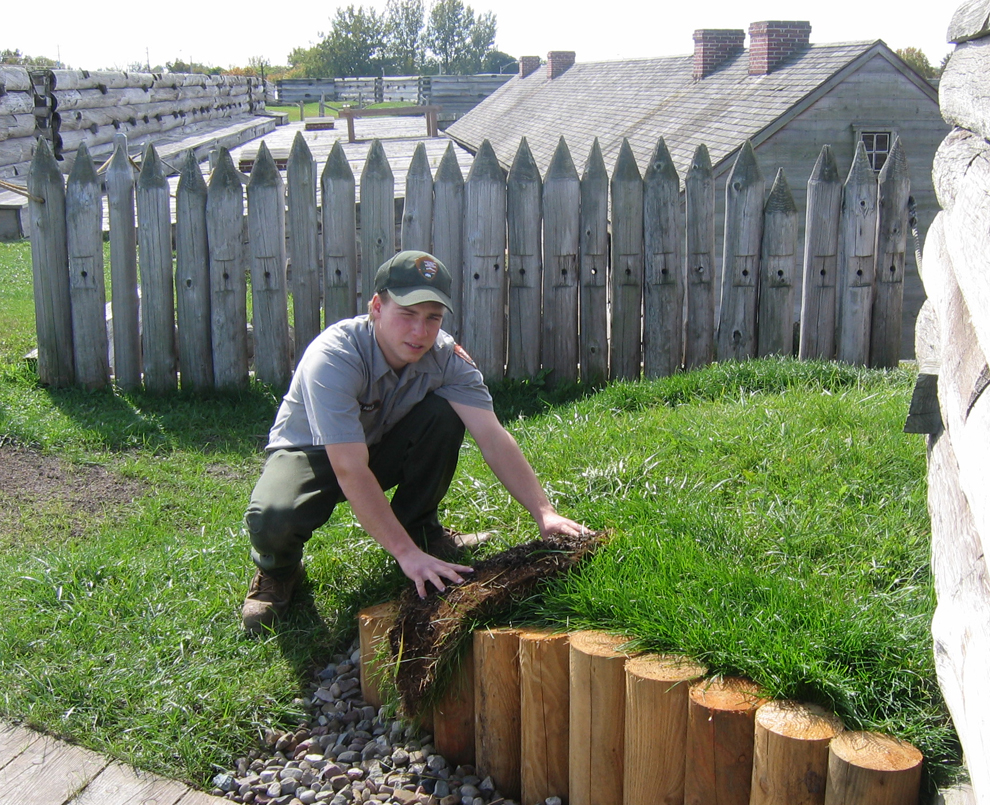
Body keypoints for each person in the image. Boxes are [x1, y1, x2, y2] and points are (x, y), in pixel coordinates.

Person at [242, 250, 587, 634]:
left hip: (379, 446)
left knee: (443, 413)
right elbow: (349, 467)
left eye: (432, 318)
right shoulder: (335, 356)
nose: (421, 332)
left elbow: (493, 437)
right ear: (376, 306)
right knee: (271, 515)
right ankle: (278, 570)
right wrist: (403, 556)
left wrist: (545, 513)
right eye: (407, 314)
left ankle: (422, 533)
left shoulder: (446, 358)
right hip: (314, 453)